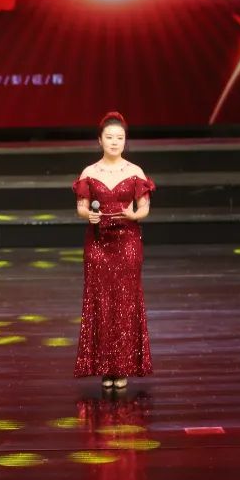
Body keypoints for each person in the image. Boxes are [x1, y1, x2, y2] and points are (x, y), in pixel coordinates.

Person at [72, 111, 154, 389]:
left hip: (127, 242)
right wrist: (89, 215)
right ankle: (104, 367)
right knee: (101, 303)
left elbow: (144, 207)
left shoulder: (135, 171)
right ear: (100, 140)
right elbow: (81, 207)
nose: (115, 142)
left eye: (119, 138)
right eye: (109, 137)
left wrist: (134, 215)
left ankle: (122, 367)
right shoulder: (89, 172)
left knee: (125, 302)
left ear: (125, 141)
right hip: (98, 243)